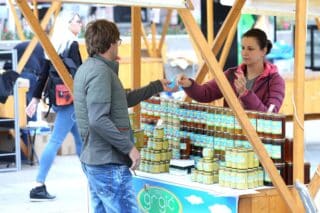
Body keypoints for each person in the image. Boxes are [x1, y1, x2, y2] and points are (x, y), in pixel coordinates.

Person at [73, 19, 176, 213]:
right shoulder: (101, 73)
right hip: (108, 163)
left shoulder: (89, 69)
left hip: (96, 161)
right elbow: (98, 119)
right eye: (118, 42)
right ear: (111, 42)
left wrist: (156, 86)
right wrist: (129, 148)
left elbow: (121, 100)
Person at [25, 11, 83, 201]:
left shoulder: (53, 44)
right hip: (71, 102)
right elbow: (81, 74)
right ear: (68, 24)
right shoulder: (72, 44)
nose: (81, 24)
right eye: (78, 21)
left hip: (58, 100)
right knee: (56, 140)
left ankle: (93, 179)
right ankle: (38, 184)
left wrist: (34, 99)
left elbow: (43, 75)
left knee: (81, 139)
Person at [177, 28, 285, 113]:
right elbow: (205, 93)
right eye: (242, 48)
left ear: (263, 51)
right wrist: (189, 84)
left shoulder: (275, 81)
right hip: (230, 136)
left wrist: (245, 94)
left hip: (258, 138)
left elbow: (270, 116)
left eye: (250, 49)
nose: (244, 53)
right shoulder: (231, 75)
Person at [15, 41, 45, 121]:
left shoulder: (20, 45)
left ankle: (25, 126)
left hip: (18, 75)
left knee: (22, 103)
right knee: (32, 102)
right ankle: (32, 124)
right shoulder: (40, 47)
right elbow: (44, 66)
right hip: (31, 76)